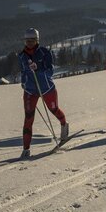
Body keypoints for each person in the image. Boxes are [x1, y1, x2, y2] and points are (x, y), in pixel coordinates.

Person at [17, 28, 69, 159]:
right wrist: (23, 82)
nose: (29, 43)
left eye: (32, 40)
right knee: (28, 118)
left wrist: (38, 69)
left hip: (46, 88)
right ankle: (26, 149)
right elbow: (23, 72)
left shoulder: (44, 53)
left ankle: (64, 125)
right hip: (30, 90)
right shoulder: (22, 56)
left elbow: (50, 71)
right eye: (27, 40)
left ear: (37, 40)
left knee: (54, 109)